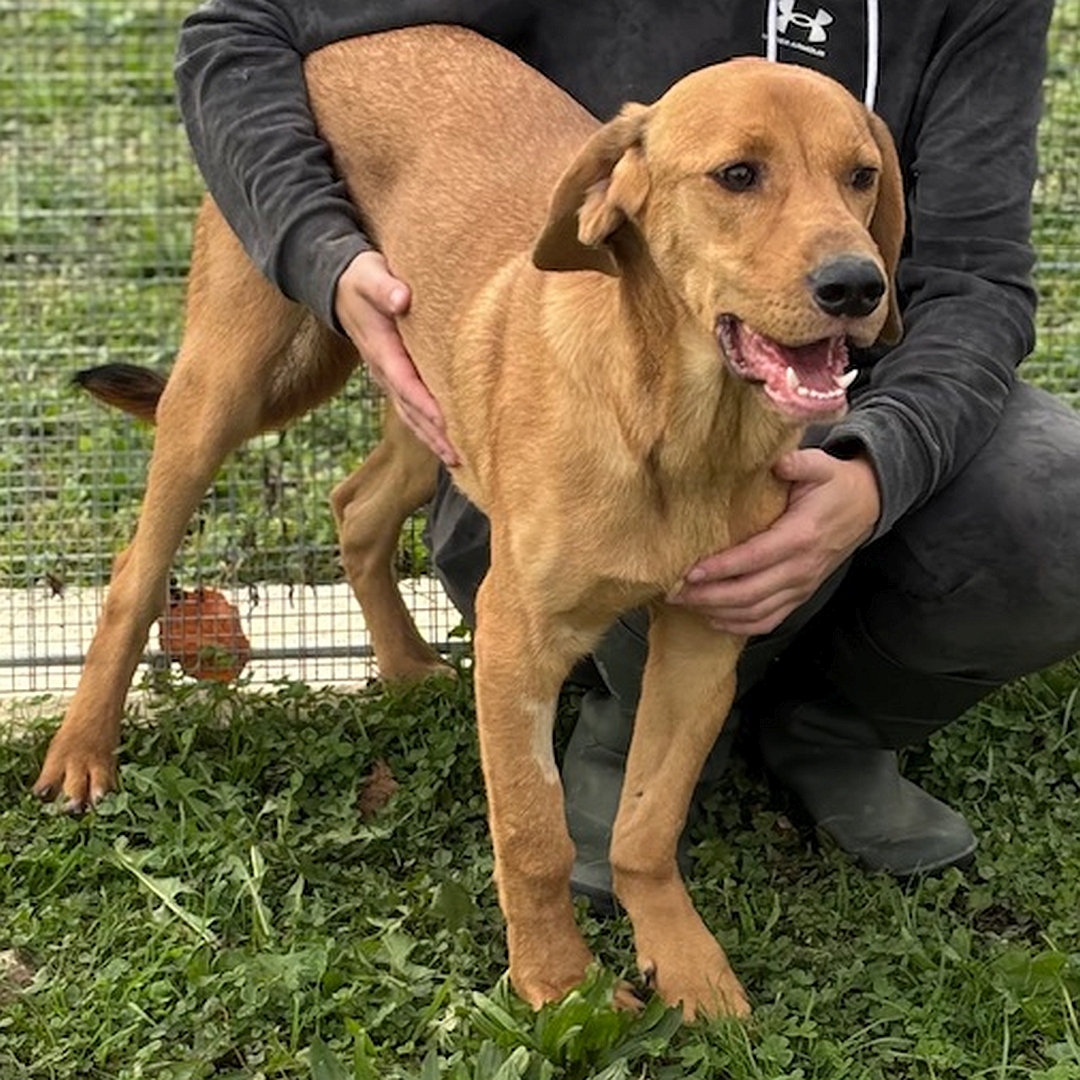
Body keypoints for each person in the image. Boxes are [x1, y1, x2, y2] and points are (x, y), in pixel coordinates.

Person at [175, 0, 1080, 906]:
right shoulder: (608, 195)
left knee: (1057, 505)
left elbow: (975, 277)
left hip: (841, 381)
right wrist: (319, 253)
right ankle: (619, 720)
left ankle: (834, 728)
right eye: (738, 173)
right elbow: (244, 26)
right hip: (580, 382)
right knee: (627, 540)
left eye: (859, 179)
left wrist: (881, 467)